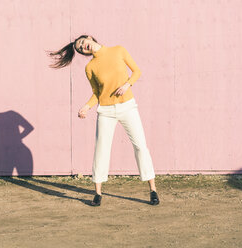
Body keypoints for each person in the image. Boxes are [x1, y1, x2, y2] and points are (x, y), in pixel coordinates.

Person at [48, 35, 159, 207]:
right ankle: (97, 194)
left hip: (128, 107)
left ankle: (152, 190)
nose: (84, 47)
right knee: (101, 151)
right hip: (106, 111)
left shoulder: (118, 50)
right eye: (80, 49)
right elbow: (97, 93)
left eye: (83, 43)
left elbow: (137, 71)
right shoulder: (90, 67)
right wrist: (87, 106)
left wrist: (127, 84)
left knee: (140, 146)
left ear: (89, 38)